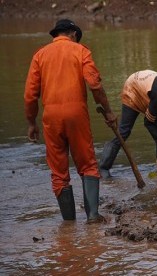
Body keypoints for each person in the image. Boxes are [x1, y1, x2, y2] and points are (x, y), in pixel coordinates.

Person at [24, 19, 117, 223]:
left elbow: (30, 96)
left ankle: (68, 224)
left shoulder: (40, 55)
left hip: (51, 117)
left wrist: (32, 123)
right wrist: (108, 111)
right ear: (73, 33)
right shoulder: (80, 51)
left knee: (58, 171)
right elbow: (95, 85)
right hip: (76, 113)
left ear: (57, 34)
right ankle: (92, 216)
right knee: (87, 164)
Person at [99, 70, 157, 177]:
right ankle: (103, 167)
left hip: (149, 93)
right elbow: (148, 123)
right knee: (124, 131)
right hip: (133, 89)